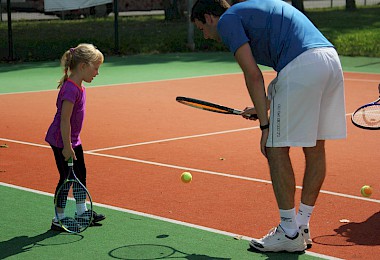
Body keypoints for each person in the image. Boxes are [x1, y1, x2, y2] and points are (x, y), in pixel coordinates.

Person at [191, 0, 346, 252]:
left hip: (302, 66)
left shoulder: (228, 19)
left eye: (201, 29)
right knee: (315, 148)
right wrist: (264, 105)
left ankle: (288, 230)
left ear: (209, 17)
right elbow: (292, 56)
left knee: (275, 149)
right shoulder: (250, 11)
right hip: (329, 61)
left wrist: (265, 126)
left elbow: (253, 74)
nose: (206, 36)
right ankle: (301, 226)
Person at [46, 43, 106, 231]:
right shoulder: (70, 89)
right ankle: (59, 218)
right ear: (83, 66)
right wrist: (66, 146)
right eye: (95, 68)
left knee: (80, 174)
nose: (97, 72)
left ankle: (82, 212)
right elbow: (64, 120)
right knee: (66, 177)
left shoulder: (78, 86)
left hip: (72, 140)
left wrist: (72, 143)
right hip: (61, 141)